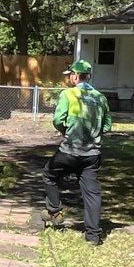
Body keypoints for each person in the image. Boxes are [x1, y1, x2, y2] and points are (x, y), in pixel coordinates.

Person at [46, 59, 112, 245]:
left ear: (75, 76)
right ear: (89, 76)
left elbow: (58, 119)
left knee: (48, 174)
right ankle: (93, 236)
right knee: (92, 194)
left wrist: (66, 130)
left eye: (71, 76)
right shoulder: (100, 98)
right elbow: (107, 125)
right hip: (92, 155)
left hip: (70, 151)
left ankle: (55, 211)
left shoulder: (68, 95)